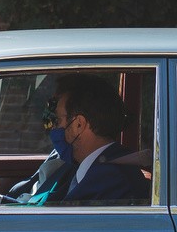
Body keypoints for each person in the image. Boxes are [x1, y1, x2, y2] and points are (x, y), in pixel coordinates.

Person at [47, 73, 151, 205]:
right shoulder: (95, 167)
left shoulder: (111, 180)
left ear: (78, 125)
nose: (54, 128)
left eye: (58, 121)